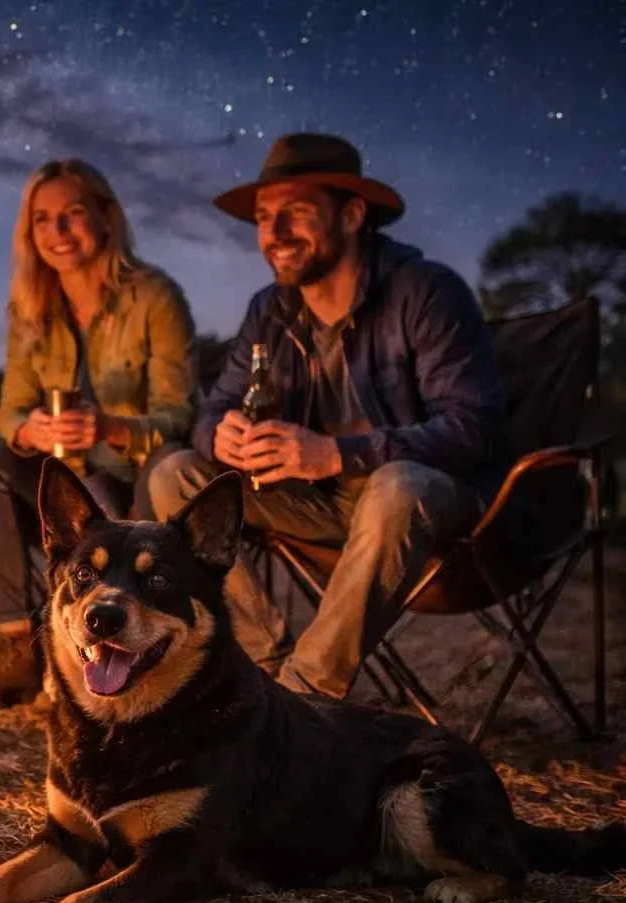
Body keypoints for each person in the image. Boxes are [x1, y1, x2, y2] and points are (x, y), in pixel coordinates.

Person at [146, 133, 506, 699]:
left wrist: (337, 454)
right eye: (264, 217)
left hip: (427, 507)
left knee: (396, 484)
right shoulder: (270, 310)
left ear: (353, 215)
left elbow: (474, 428)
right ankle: (261, 668)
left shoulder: (426, 292)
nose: (275, 232)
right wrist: (219, 435)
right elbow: (214, 406)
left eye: (297, 212)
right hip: (316, 504)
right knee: (176, 473)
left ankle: (304, 693)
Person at [0, 158, 196, 706]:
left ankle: (111, 651)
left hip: (133, 477)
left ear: (107, 216)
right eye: (42, 219)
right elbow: (10, 414)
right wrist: (30, 430)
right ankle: (19, 646)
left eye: (73, 214)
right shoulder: (28, 310)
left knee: (108, 500)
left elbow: (179, 416)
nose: (57, 232)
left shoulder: (154, 297)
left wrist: (110, 427)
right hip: (63, 478)